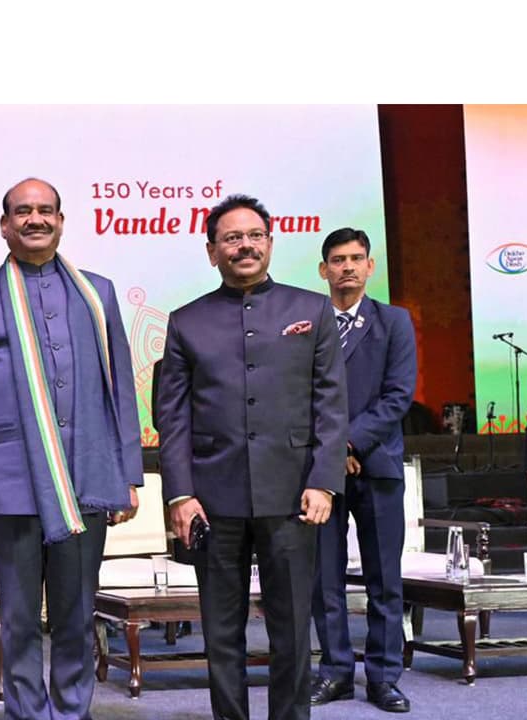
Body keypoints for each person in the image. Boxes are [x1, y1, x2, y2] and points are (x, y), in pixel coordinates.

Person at [0, 178, 142, 719]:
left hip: (87, 478)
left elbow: (120, 389)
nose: (36, 219)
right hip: (9, 483)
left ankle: (72, 710)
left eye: (46, 210)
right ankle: (28, 712)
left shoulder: (95, 292)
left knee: (78, 613)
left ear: (61, 219)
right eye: (23, 212)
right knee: (21, 615)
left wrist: (128, 474)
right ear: (5, 225)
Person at [156, 194, 348, 720]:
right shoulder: (186, 321)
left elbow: (331, 404)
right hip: (213, 501)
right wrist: (179, 494)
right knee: (221, 632)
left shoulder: (310, 310)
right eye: (231, 238)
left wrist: (324, 480)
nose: (245, 245)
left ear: (270, 241)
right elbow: (172, 419)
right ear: (212, 251)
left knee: (291, 629)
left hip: (293, 495)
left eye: (254, 235)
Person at [309, 228, 417, 713]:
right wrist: (332, 451)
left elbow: (398, 396)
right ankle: (334, 673)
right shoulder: (307, 324)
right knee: (323, 579)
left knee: (384, 580)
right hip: (319, 474)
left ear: (371, 266)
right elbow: (297, 397)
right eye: (337, 259)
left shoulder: (395, 322)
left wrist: (348, 441)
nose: (347, 267)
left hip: (377, 467)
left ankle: (383, 677)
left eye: (356, 258)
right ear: (323, 270)